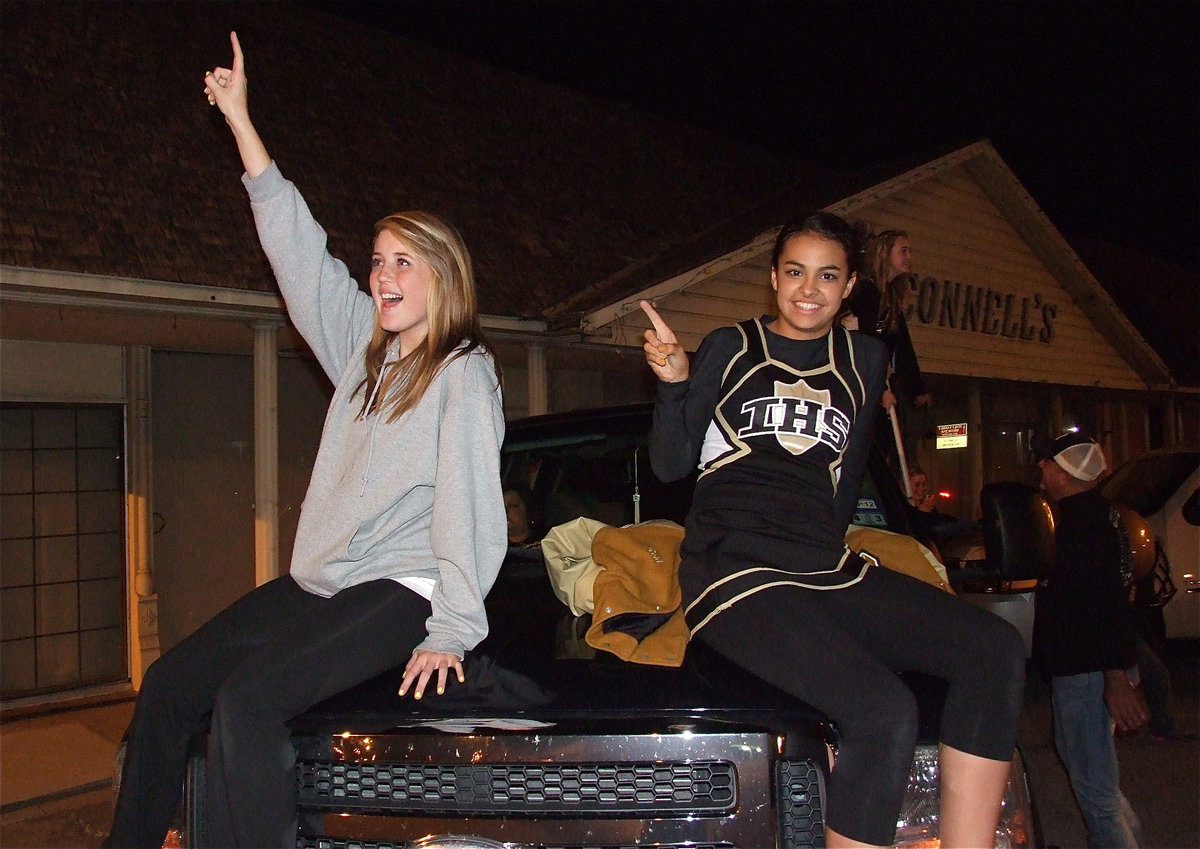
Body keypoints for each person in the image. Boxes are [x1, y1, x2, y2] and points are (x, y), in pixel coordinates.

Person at [109, 33, 506, 848]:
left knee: (249, 702)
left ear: (443, 275)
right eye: (378, 260)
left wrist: (454, 625)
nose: (383, 276)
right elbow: (298, 248)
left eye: (404, 262)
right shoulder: (363, 347)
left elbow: (471, 500)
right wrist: (242, 121)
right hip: (322, 581)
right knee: (170, 684)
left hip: (404, 586)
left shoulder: (463, 372)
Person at [640, 212, 1025, 848]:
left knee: (995, 650)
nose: (808, 289)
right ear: (773, 278)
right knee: (883, 709)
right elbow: (670, 465)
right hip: (733, 572)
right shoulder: (729, 347)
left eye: (827, 275)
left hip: (822, 565)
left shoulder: (865, 359)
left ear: (849, 287)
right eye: (794, 272)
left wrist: (839, 553)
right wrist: (676, 385)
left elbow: (844, 484)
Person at [1032, 432, 1147, 848]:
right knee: (1095, 774)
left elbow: (1102, 603)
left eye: (1047, 462)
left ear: (1064, 472)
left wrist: (1114, 676)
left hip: (1089, 668)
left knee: (1093, 786)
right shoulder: (1103, 514)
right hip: (1095, 663)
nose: (1041, 468)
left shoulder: (1081, 526)